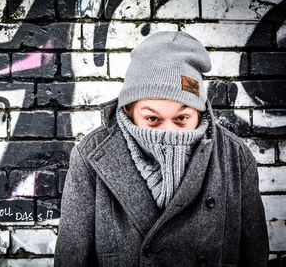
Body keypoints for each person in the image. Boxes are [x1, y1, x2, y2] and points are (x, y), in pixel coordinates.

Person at [54, 31, 269, 267]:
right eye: (153, 119)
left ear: (200, 112)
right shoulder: (90, 157)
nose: (170, 133)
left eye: (182, 118)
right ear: (128, 111)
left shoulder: (235, 158)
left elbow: (254, 257)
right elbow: (71, 259)